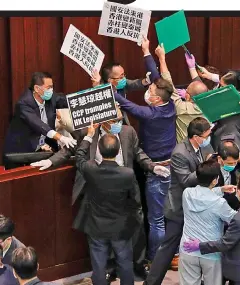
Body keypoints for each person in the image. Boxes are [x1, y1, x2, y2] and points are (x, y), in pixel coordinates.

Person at [31, 106, 169, 280]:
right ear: (103, 122)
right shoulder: (88, 133)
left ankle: (139, 264)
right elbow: (70, 150)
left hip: (126, 190)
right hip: (97, 191)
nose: (119, 124)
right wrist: (50, 162)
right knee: (109, 242)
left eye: (120, 120)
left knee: (135, 230)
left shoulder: (128, 132)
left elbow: (138, 153)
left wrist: (152, 166)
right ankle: (110, 269)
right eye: (114, 121)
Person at [96, 38, 176, 263]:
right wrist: (146, 51)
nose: (147, 88)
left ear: (155, 98)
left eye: (149, 89)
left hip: (157, 169)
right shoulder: (169, 103)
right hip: (170, 164)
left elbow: (124, 102)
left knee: (156, 219)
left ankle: (155, 260)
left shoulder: (150, 113)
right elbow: (155, 76)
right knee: (167, 214)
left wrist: (103, 88)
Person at [143, 117, 213, 285]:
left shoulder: (206, 147)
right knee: (167, 248)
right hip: (179, 208)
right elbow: (186, 180)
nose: (209, 138)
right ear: (196, 137)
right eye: (206, 135)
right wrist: (208, 166)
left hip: (199, 207)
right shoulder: (180, 152)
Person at [75, 122, 141, 285]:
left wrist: (89, 136)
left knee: (98, 266)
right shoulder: (127, 173)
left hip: (96, 225)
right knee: (125, 263)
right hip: (121, 226)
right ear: (119, 151)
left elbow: (79, 157)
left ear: (99, 150)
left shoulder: (91, 169)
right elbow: (134, 199)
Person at [183, 173, 240, 285]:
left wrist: (199, 245)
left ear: (238, 192)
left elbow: (225, 243)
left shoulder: (239, 218)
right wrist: (220, 190)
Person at [178, 160, 236, 285]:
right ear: (215, 180)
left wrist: (220, 189)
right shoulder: (220, 204)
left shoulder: (186, 194)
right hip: (211, 253)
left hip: (188, 250)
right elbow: (236, 220)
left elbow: (203, 195)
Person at [3, 72, 76, 169]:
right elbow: (39, 125)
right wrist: (61, 138)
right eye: (48, 87)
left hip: (40, 149)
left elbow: (70, 101)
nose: (51, 90)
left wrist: (95, 89)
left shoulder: (51, 98)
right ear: (37, 88)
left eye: (52, 87)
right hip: (20, 153)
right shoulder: (24, 104)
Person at [155, 44, 208, 143]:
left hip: (185, 149)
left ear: (187, 96)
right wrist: (192, 68)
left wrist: (162, 59)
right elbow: (202, 90)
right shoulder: (210, 105)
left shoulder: (182, 108)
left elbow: (168, 82)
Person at [92, 61, 151, 125]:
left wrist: (147, 80)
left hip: (122, 122)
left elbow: (134, 84)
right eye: (121, 77)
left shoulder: (121, 84)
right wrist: (96, 87)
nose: (124, 78)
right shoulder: (100, 90)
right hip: (107, 125)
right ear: (110, 80)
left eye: (124, 75)